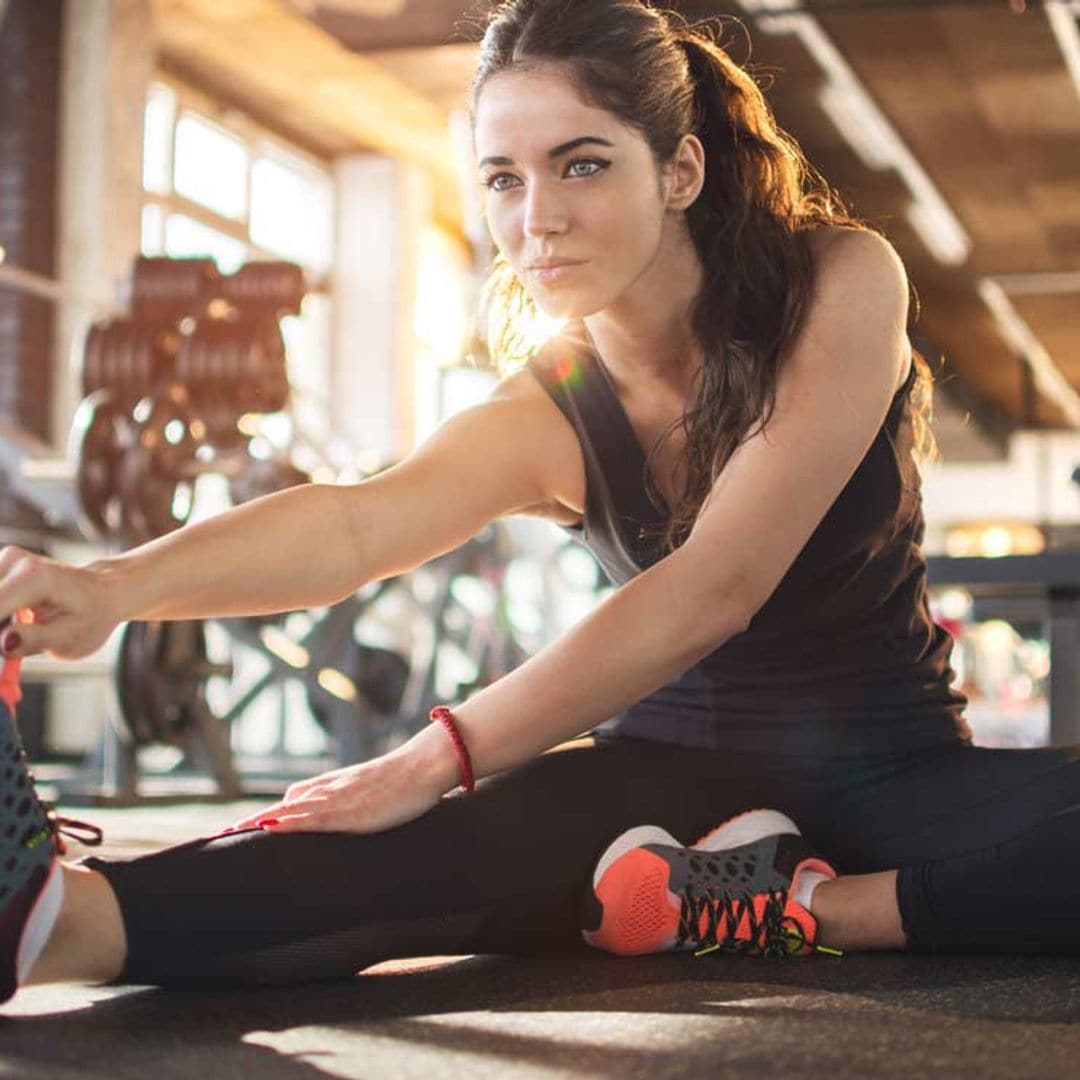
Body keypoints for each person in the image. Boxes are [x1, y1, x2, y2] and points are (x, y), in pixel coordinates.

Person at [2, 0, 1079, 1005]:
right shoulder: (553, 403)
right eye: (503, 179)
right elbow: (357, 524)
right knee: (398, 848)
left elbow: (719, 584)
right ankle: (60, 924)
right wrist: (113, 587)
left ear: (682, 170)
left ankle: (797, 908)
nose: (538, 220)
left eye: (583, 165)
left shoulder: (842, 282)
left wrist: (436, 755)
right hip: (653, 796)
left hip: (892, 776)